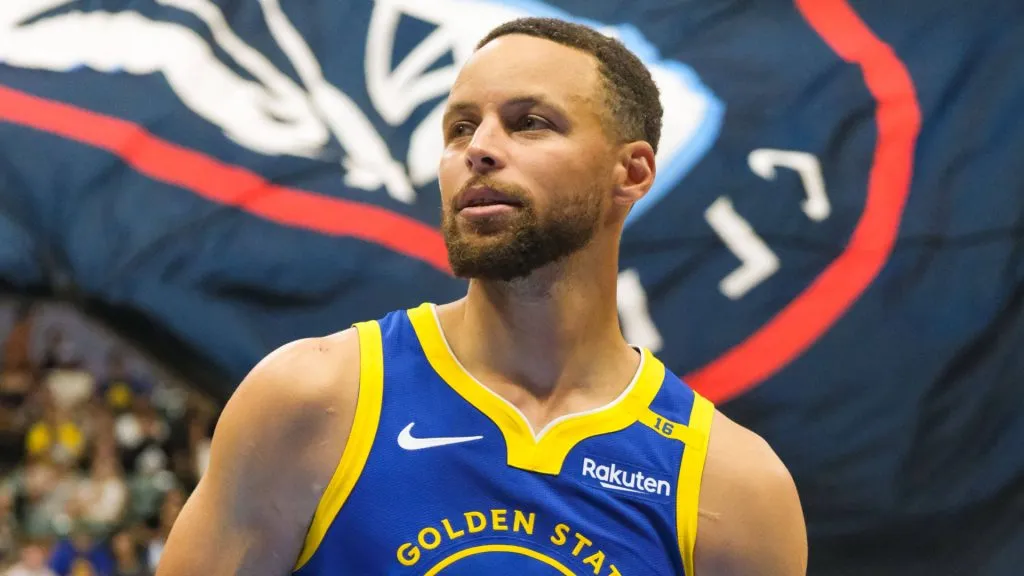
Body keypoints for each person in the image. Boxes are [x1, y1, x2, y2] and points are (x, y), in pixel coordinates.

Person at [156, 17, 807, 575]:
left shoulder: (733, 485)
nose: (480, 150)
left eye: (530, 123)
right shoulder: (313, 397)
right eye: (460, 128)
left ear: (631, 172)